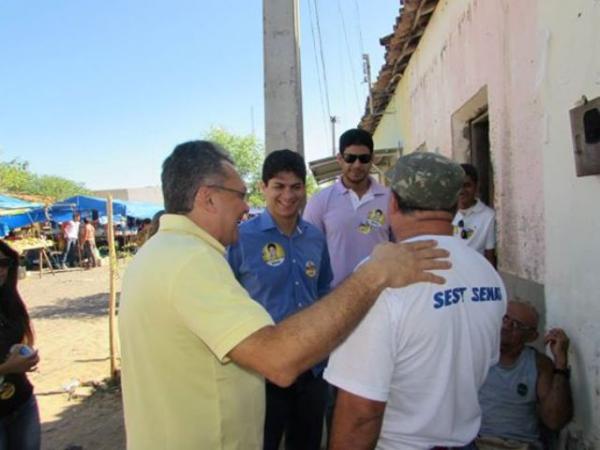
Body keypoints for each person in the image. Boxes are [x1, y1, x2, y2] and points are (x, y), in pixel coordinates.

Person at [118, 140, 450, 450]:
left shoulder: (165, 251)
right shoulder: (192, 261)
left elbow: (320, 290)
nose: (246, 205)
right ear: (209, 197)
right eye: (241, 194)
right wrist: (372, 275)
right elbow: (278, 359)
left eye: (295, 187)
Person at [324, 152, 507, 450]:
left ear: (392, 202)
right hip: (464, 442)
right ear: (453, 205)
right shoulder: (486, 272)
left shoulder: (379, 279)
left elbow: (361, 413)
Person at [227, 150, 334, 450]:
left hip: (312, 370)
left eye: (296, 186)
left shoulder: (315, 238)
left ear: (305, 189)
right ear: (263, 187)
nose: (288, 195)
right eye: (279, 186)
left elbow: (324, 290)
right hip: (261, 376)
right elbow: (227, 300)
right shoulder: (240, 239)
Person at [477, 301, 573, 450]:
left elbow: (554, 421)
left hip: (518, 445)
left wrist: (560, 363)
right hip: (474, 442)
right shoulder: (475, 353)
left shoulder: (538, 364)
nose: (506, 326)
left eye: (516, 325)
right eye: (505, 318)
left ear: (531, 336)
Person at [303, 128, 392, 289]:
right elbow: (308, 250)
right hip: (336, 300)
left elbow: (399, 246)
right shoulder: (320, 201)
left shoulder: (391, 199)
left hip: (382, 296)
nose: (357, 165)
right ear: (340, 158)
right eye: (350, 158)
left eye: (363, 158)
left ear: (372, 159)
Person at [0, 240, 41, 450]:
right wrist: (7, 368)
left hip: (21, 402)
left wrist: (24, 355)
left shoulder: (8, 303)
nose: (1, 271)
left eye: (5, 263)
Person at [452, 163, 497, 267]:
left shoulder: (488, 216)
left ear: (476, 187)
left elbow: (489, 254)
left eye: (467, 185)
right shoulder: (448, 213)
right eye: (458, 186)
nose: (462, 191)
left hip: (475, 274)